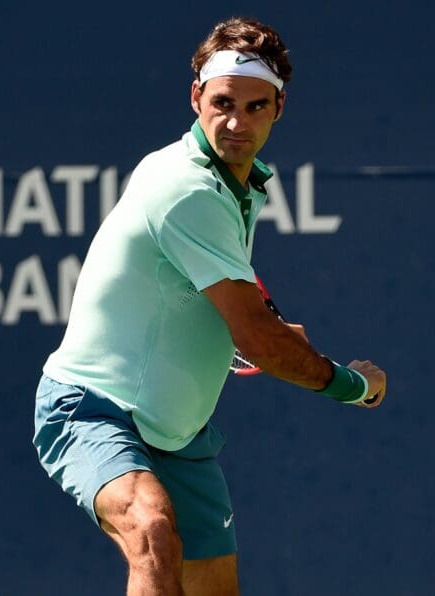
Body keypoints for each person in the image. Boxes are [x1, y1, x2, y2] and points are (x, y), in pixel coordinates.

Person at [32, 16, 387, 596]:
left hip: (178, 433)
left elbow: (206, 308)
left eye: (255, 107)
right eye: (222, 102)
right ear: (196, 96)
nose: (235, 122)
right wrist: (351, 384)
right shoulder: (187, 186)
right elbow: (254, 335)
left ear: (279, 108)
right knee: (151, 532)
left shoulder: (238, 185)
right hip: (93, 409)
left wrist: (250, 335)